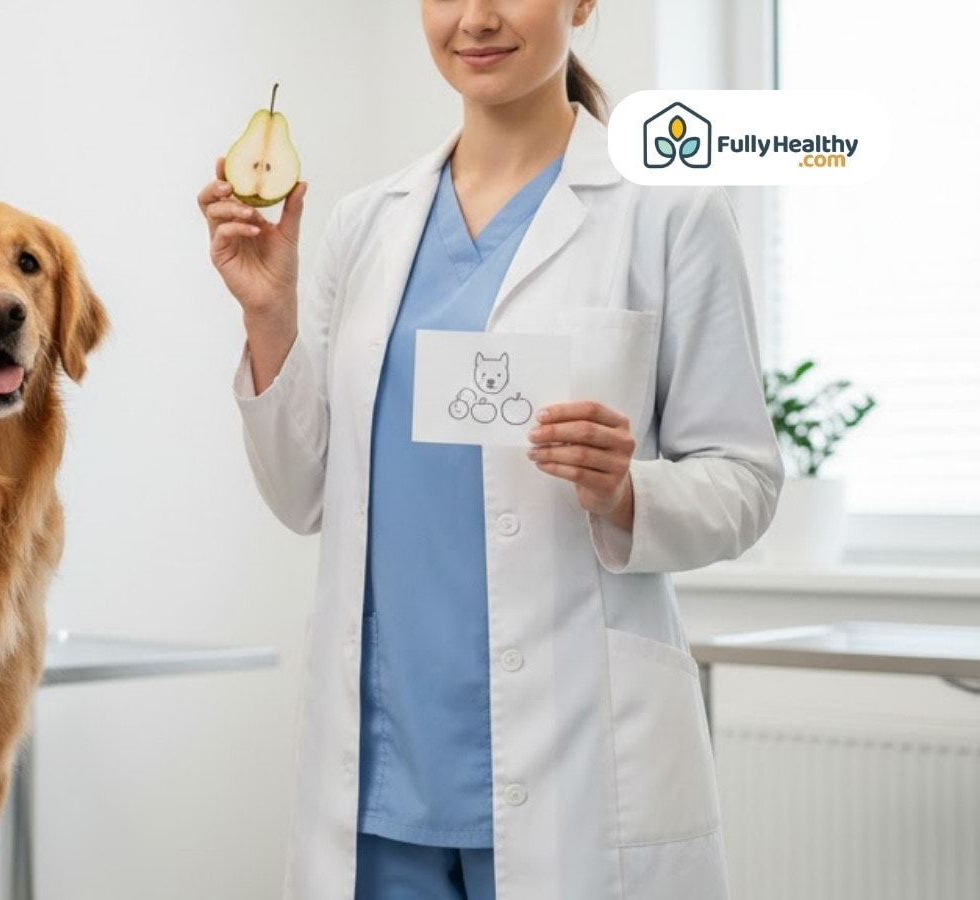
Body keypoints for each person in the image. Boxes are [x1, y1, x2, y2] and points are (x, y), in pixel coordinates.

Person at [196, 1, 782, 898]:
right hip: (381, 786)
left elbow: (745, 480)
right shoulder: (366, 224)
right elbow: (305, 493)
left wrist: (627, 493)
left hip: (580, 772)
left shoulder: (668, 213)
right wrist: (267, 315)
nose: (476, 19)